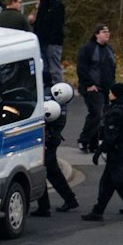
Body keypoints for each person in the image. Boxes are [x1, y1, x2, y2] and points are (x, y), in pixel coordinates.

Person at [81, 87, 123, 224]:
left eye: (110, 92)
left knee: (121, 183)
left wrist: (99, 151)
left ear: (115, 95)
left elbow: (111, 136)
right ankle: (98, 211)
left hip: (116, 152)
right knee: (106, 183)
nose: (108, 94)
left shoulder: (115, 112)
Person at [33, 83, 79, 217]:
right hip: (50, 140)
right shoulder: (58, 104)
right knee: (52, 172)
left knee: (42, 171)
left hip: (47, 140)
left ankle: (45, 206)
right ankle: (68, 199)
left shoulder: (50, 100)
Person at [76, 24, 117, 153]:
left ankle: (94, 144)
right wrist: (88, 84)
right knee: (96, 113)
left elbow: (112, 69)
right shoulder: (88, 48)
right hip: (92, 88)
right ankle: (83, 140)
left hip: (106, 89)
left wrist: (113, 87)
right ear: (96, 34)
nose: (107, 34)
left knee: (104, 116)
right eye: (104, 32)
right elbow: (81, 68)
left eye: (108, 31)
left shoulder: (109, 49)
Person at [34, 0, 67, 77]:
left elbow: (57, 24)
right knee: (44, 68)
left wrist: (52, 39)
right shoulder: (44, 3)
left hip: (52, 42)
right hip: (41, 40)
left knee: (54, 68)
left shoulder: (57, 5)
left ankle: (60, 89)